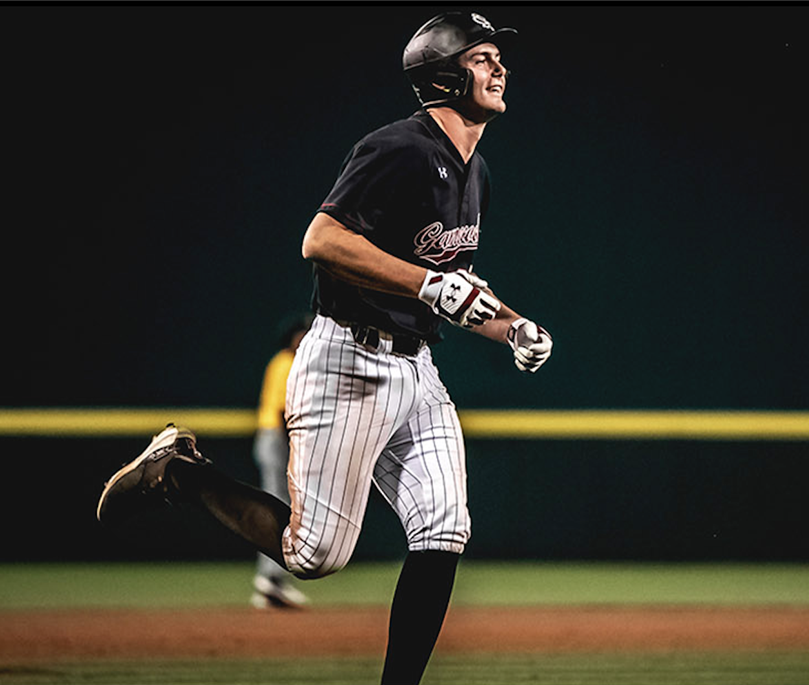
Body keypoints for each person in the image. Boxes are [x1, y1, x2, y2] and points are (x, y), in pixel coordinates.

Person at [96, 11, 553, 685]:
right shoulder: (396, 147)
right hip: (349, 363)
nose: (498, 67)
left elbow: (448, 284)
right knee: (314, 555)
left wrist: (510, 324)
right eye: (482, 57)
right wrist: (433, 287)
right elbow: (323, 241)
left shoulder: (474, 170)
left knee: (445, 526)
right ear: (443, 75)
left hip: (417, 370)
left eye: (495, 58)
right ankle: (182, 470)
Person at [250, 313, 313, 609]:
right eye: (302, 333)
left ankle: (272, 581)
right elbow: (281, 411)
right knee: (277, 508)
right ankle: (271, 578)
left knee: (283, 509)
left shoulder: (293, 362)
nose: (305, 338)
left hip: (276, 439)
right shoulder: (286, 363)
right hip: (276, 439)